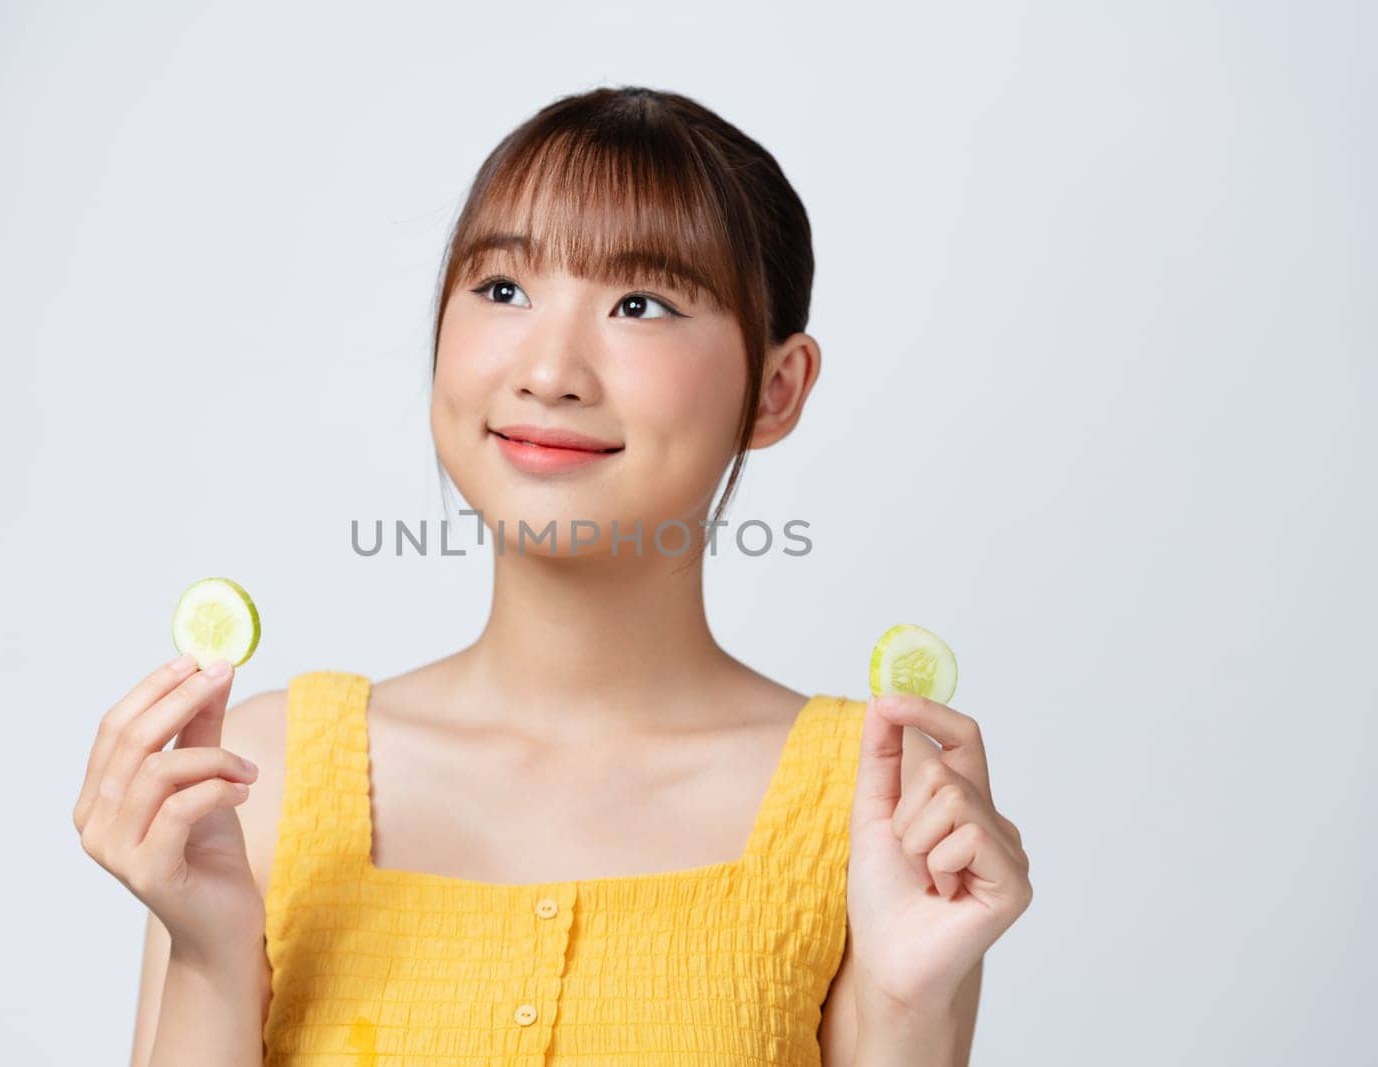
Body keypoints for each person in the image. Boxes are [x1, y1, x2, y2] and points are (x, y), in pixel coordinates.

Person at [74, 84, 1032, 1067]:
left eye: (640, 302)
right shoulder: (249, 777)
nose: (548, 370)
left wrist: (907, 1011)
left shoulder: (881, 805)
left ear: (775, 388)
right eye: (501, 290)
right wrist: (210, 953)